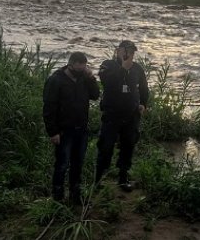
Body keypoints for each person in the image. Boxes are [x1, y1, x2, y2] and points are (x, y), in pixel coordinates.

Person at [42, 51, 100, 204]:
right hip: (64, 131)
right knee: (62, 164)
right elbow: (49, 108)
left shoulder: (84, 79)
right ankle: (58, 197)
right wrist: (53, 132)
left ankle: (75, 194)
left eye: (84, 67)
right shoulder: (56, 81)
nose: (81, 70)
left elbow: (95, 95)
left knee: (78, 163)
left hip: (81, 129)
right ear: (71, 64)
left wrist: (91, 77)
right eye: (79, 67)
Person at [95, 40, 149, 192]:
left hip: (131, 115)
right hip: (112, 114)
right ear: (118, 51)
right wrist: (122, 69)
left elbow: (144, 88)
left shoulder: (137, 68)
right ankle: (98, 180)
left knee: (128, 147)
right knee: (105, 146)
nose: (129, 55)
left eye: (132, 52)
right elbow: (107, 83)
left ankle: (122, 178)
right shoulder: (108, 65)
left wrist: (143, 104)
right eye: (126, 51)